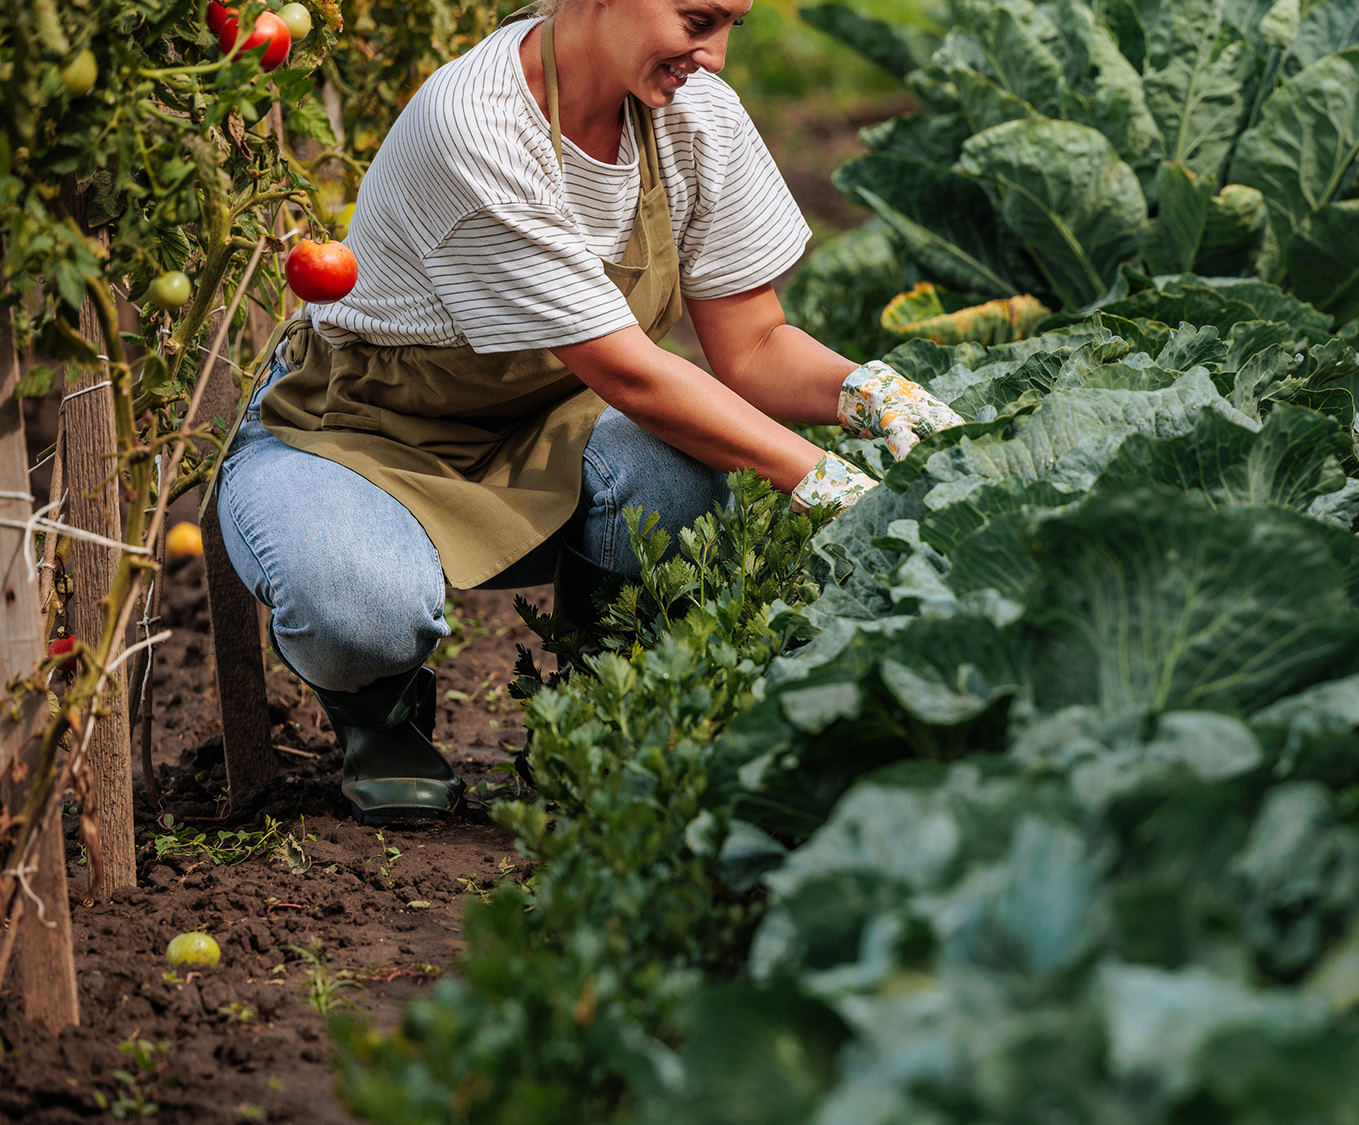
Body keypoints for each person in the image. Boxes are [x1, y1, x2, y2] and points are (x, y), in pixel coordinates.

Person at [217, 0, 960, 823]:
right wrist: (826, 483)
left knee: (676, 477)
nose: (712, 56)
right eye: (696, 19)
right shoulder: (478, 122)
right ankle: (380, 709)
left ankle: (594, 701)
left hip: (548, 420)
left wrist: (871, 394)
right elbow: (632, 374)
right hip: (354, 437)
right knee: (358, 607)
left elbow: (751, 345)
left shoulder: (690, 115)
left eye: (731, 29)